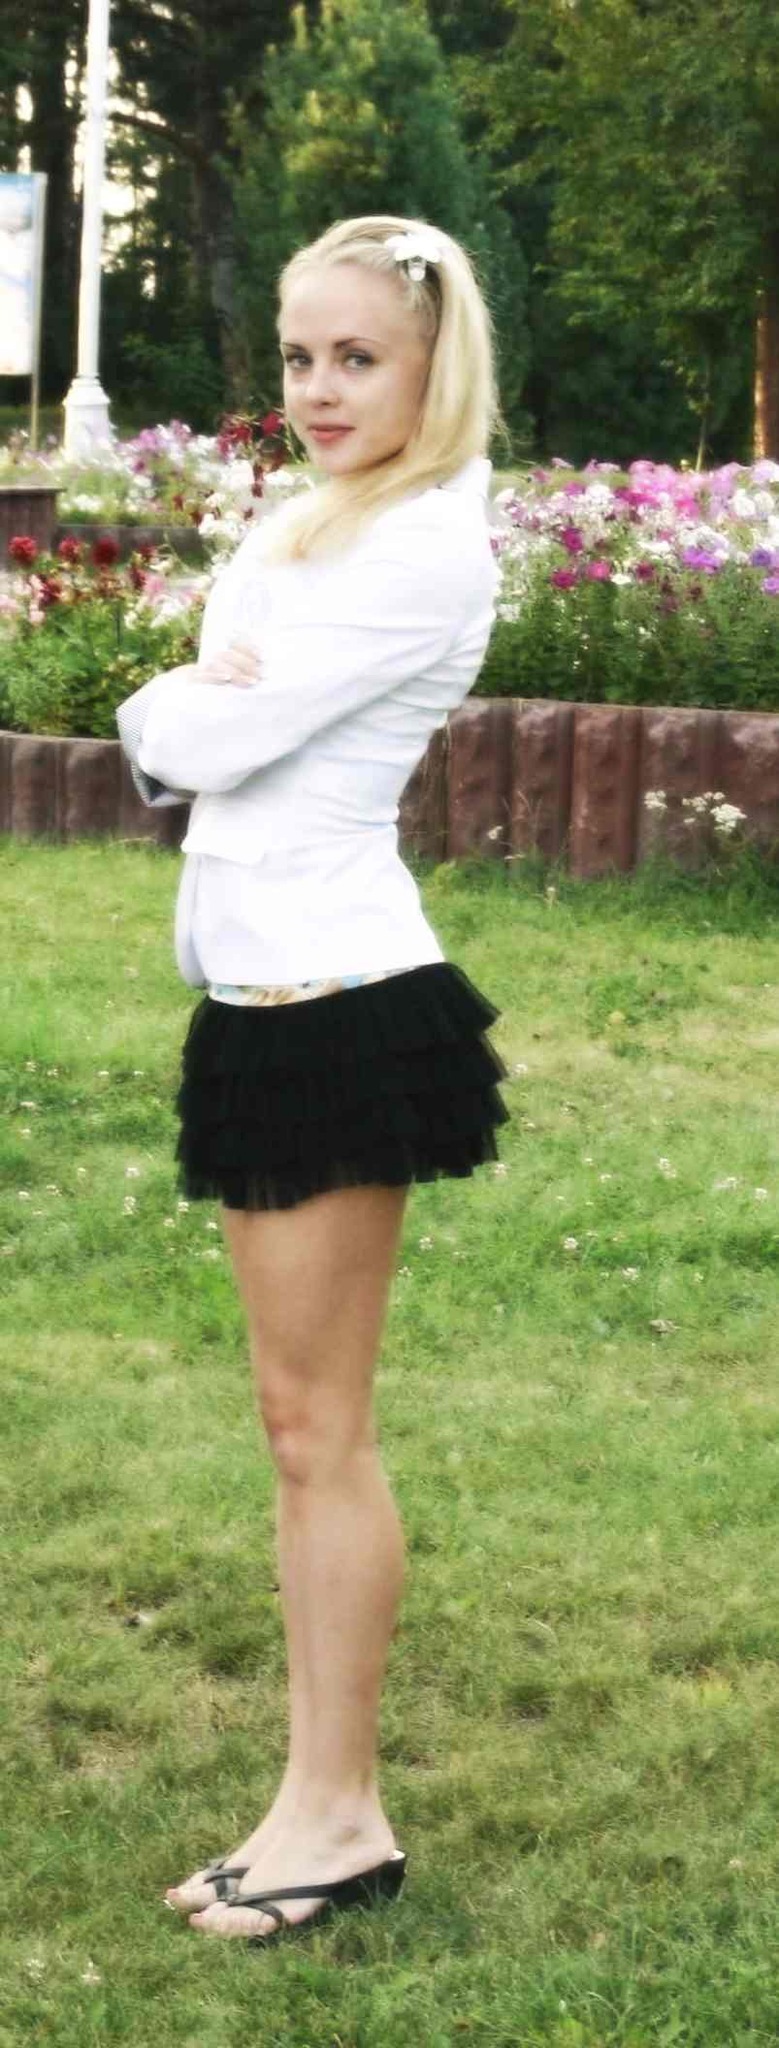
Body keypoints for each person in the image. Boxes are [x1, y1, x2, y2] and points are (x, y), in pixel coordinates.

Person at [115, 212, 511, 1952]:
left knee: (317, 1431)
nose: (321, 389)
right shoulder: (315, 521)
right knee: (296, 1430)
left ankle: (339, 1818)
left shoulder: (422, 548)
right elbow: (208, 724)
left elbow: (214, 732)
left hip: (338, 1001)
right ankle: (312, 1803)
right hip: (266, 994)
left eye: (360, 357)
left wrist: (168, 705)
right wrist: (189, 706)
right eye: (299, 356)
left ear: (434, 365)